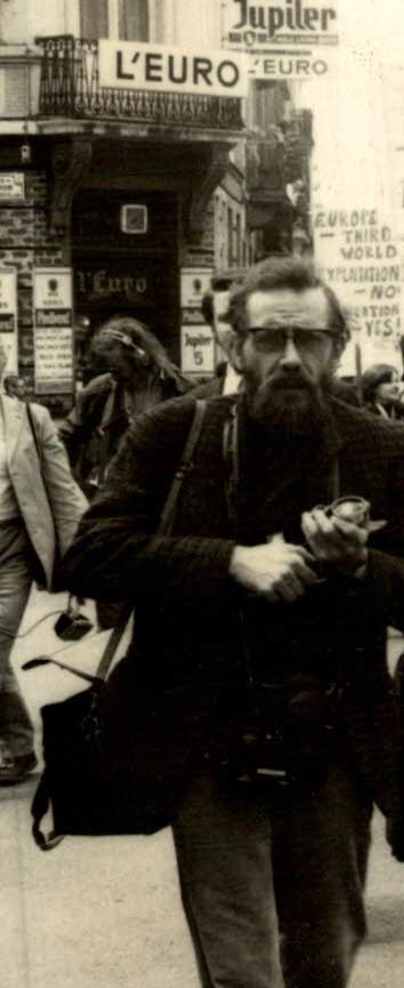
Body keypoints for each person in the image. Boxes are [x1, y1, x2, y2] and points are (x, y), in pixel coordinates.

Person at [57, 257, 404, 988]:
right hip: (207, 741)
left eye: (311, 340)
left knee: (321, 969)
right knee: (244, 978)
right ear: (234, 346)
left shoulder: (385, 447)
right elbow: (89, 555)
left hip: (333, 749)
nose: (293, 360)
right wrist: (228, 563)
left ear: (339, 347)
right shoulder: (174, 434)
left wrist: (361, 566)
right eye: (271, 340)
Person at [0, 344, 89, 785]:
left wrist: (86, 558)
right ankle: (18, 747)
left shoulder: (31, 420)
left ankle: (17, 748)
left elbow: (63, 489)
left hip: (13, 545)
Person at [59, 316, 193, 496]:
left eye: (118, 370)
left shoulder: (181, 388)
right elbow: (62, 442)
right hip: (112, 495)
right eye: (109, 371)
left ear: (140, 357)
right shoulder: (99, 391)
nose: (114, 377)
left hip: (166, 495)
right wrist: (75, 487)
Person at [188, 269, 247, 400]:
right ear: (214, 331)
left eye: (245, 317)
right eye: (226, 319)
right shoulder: (196, 405)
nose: (237, 328)